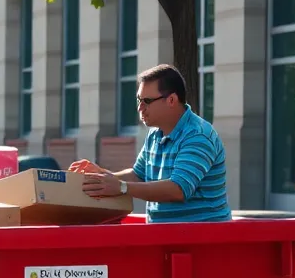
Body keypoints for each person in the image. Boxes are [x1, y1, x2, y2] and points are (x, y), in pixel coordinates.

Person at [69, 64, 231, 223]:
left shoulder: (198, 135)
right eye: (139, 100)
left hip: (203, 241)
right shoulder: (155, 133)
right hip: (166, 238)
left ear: (171, 100)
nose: (140, 108)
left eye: (147, 101)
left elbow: (178, 189)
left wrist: (121, 187)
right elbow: (138, 175)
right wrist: (102, 176)